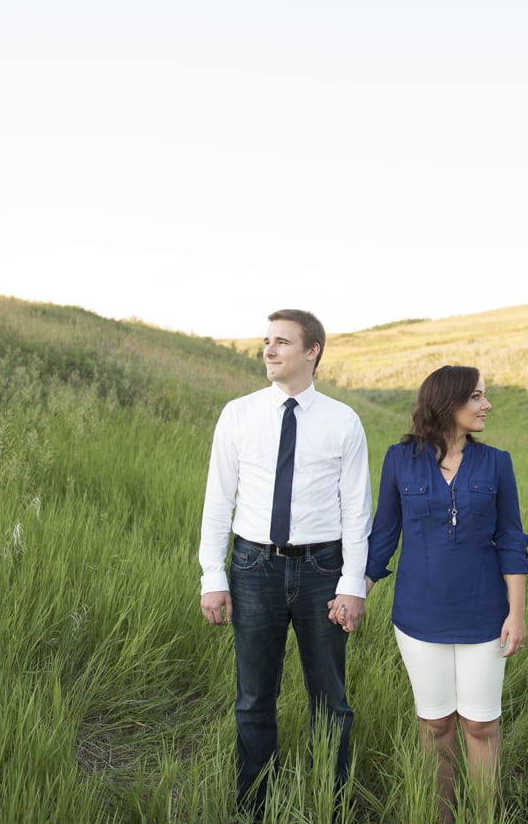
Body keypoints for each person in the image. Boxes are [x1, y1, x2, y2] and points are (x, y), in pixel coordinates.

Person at [198, 309, 373, 818]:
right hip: (254, 567)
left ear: (312, 350)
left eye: (281, 342)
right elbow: (217, 500)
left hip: (324, 569)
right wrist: (213, 575)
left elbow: (357, 510)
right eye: (266, 341)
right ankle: (256, 806)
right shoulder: (238, 413)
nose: (269, 351)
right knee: (254, 698)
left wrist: (352, 585)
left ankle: (331, 803)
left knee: (330, 700)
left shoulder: (343, 421)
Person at [361, 364, 528, 823]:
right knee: (435, 724)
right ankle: (441, 816)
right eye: (476, 396)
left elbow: (512, 541)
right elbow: (383, 536)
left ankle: (484, 815)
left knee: (480, 724)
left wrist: (516, 614)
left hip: (484, 615)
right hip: (418, 616)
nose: (486, 405)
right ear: (447, 402)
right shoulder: (400, 460)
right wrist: (357, 592)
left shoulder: (497, 462)